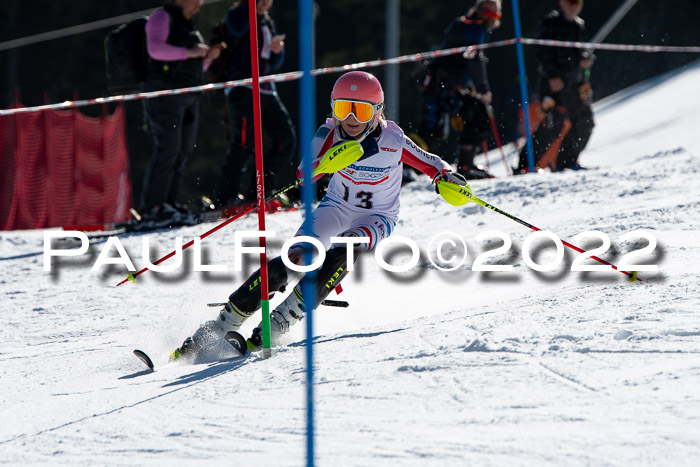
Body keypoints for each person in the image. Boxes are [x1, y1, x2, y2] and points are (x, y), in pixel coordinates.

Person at [171, 71, 469, 360]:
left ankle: (280, 321)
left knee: (343, 251)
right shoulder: (329, 133)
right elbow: (304, 173)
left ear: (377, 111)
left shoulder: (392, 137)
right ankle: (218, 327)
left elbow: (431, 163)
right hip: (336, 207)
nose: (351, 119)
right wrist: (331, 159)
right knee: (292, 260)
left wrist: (446, 177)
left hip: (377, 216)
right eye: (343, 109)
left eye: (361, 112)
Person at [139, 0, 221, 228]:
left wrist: (206, 59)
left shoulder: (187, 24)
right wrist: (191, 52)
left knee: (183, 150)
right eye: (195, 2)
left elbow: (192, 64)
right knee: (168, 148)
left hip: (188, 95)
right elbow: (155, 49)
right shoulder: (162, 16)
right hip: (165, 94)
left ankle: (169, 203)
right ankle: (153, 207)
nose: (198, 6)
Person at [210, 0, 297, 210]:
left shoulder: (268, 21)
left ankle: (259, 192)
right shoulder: (237, 14)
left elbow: (273, 63)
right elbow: (238, 29)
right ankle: (224, 198)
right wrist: (252, 11)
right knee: (244, 143)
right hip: (243, 87)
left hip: (266, 88)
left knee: (285, 138)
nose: (265, 3)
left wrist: (277, 50)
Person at [414, 0, 503, 180]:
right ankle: (406, 167)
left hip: (444, 83)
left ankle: (465, 165)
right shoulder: (475, 28)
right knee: (476, 117)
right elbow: (474, 60)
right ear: (478, 10)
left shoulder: (462, 23)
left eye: (495, 15)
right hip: (445, 85)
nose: (490, 18)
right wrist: (483, 89)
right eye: (487, 12)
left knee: (435, 128)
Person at [516, 0, 595, 173]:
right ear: (561, 3)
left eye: (578, 2)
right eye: (570, 1)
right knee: (552, 124)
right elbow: (542, 53)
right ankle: (525, 165)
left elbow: (581, 50)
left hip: (574, 86)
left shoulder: (579, 25)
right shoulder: (550, 22)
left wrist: (586, 59)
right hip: (554, 86)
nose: (574, 5)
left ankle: (566, 162)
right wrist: (552, 76)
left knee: (584, 121)